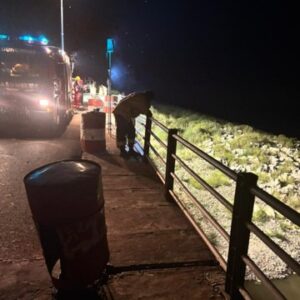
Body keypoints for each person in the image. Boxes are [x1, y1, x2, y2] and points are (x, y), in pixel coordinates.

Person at [113, 90, 154, 158]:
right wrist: (148, 111)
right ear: (148, 97)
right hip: (122, 113)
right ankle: (122, 151)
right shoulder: (142, 99)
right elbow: (145, 110)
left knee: (131, 130)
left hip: (124, 113)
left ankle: (130, 149)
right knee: (122, 131)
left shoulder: (139, 96)